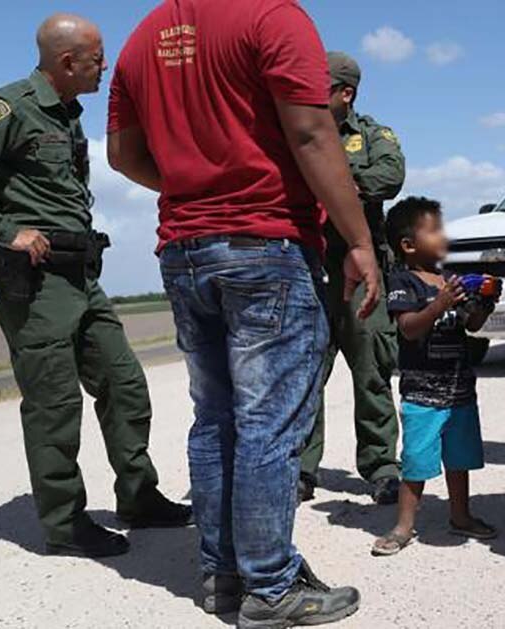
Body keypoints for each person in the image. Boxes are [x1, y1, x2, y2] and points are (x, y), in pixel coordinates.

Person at [105, 1, 379, 626]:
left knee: (216, 419)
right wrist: (359, 240)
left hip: (184, 250)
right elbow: (311, 132)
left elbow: (123, 155)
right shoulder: (272, 17)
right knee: (269, 424)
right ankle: (272, 588)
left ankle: (223, 576)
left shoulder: (141, 39)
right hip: (266, 244)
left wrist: (192, 186)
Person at [0, 13, 192, 559]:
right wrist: (6, 230)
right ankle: (64, 524)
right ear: (67, 61)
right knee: (53, 405)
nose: (105, 66)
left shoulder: (67, 115)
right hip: (37, 284)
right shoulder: (8, 107)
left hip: (81, 276)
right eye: (97, 57)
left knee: (124, 384)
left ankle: (138, 498)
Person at [298, 51, 405, 505]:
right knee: (304, 374)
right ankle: (300, 469)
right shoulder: (295, 132)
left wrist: (332, 179)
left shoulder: (372, 135)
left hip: (361, 269)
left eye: (319, 90)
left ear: (346, 94)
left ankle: (381, 467)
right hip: (310, 266)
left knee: (372, 370)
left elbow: (389, 175)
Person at [371, 197, 499, 557]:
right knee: (416, 461)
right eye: (433, 230)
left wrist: (484, 304)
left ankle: (461, 515)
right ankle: (403, 526)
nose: (442, 235)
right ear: (408, 245)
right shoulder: (403, 281)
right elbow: (410, 329)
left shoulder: (448, 280)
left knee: (459, 459)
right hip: (422, 394)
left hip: (459, 389)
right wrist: (439, 304)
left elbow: (470, 325)